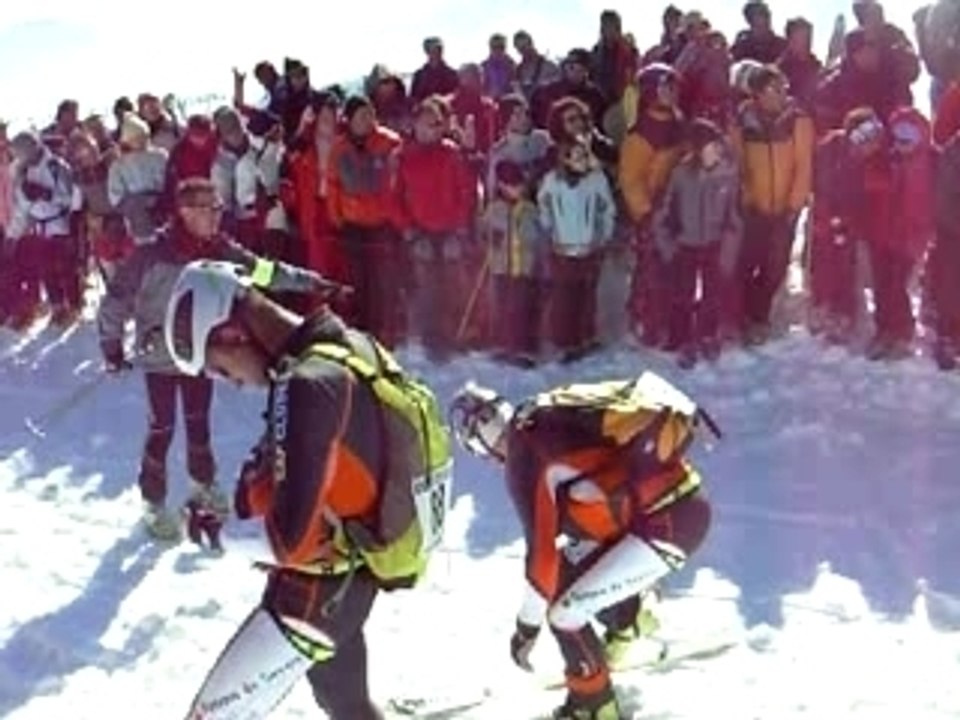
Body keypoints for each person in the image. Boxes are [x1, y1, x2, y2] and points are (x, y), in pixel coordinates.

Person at [162, 259, 452, 720]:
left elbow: (287, 542)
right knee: (344, 702)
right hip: (352, 576)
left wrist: (212, 532)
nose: (232, 383)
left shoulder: (306, 385)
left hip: (318, 592)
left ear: (232, 334)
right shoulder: (345, 344)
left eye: (219, 369)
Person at [448, 376, 715, 720]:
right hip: (675, 507)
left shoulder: (524, 456)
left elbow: (540, 559)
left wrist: (526, 630)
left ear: (479, 446)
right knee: (566, 573)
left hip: (666, 524)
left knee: (565, 614)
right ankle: (631, 617)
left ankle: (594, 706)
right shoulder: (544, 411)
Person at [97, 177, 338, 540]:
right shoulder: (152, 255)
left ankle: (203, 484)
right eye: (208, 209)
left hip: (198, 353)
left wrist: (312, 282)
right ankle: (153, 501)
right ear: (185, 212)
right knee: (161, 428)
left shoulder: (220, 251)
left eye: (218, 208)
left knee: (199, 423)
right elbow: (116, 300)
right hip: (159, 355)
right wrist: (111, 346)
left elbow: (264, 271)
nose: (216, 216)